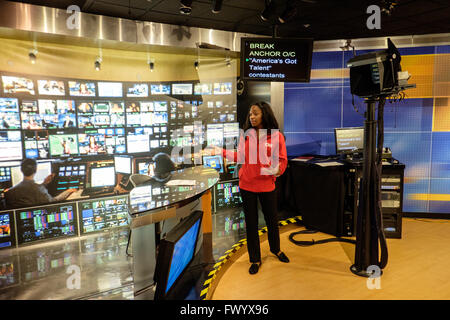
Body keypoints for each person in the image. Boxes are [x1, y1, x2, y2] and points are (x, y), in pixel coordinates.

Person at [221, 101, 289, 275]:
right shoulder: (247, 135)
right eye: (250, 114)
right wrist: (220, 151)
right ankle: (255, 259)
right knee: (251, 225)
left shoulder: (276, 136)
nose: (252, 117)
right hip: (247, 185)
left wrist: (275, 171)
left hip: (267, 186)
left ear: (264, 114)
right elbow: (240, 156)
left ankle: (276, 249)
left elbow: (282, 161)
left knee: (272, 221)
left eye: (255, 113)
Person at [5, 158, 76, 209]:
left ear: (21, 170)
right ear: (35, 170)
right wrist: (68, 191)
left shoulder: (10, 192)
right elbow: (53, 201)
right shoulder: (39, 190)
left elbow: (27, 190)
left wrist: (44, 183)